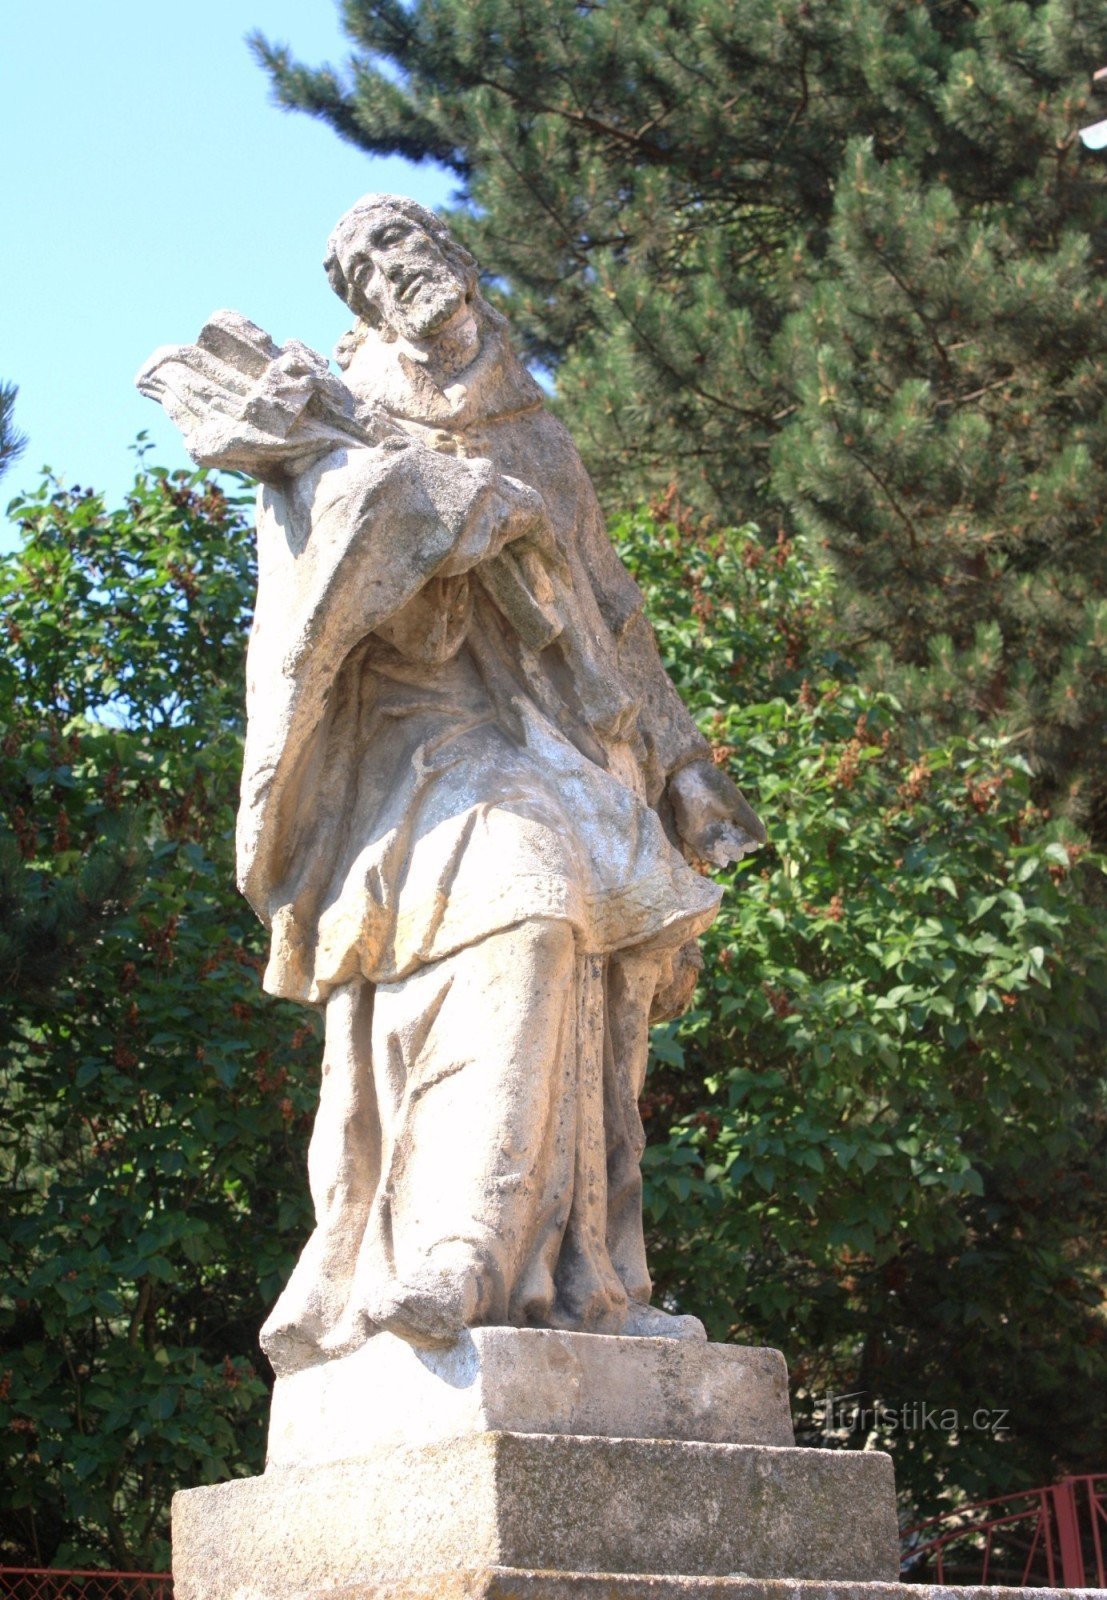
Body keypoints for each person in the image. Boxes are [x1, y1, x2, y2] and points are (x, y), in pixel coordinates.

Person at [141, 194, 765, 1374]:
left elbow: (612, 608)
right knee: (527, 898)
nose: (394, 269)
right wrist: (422, 510)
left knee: (589, 967)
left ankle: (577, 1274)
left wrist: (685, 769)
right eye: (365, 264)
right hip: (417, 741)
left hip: (572, 742)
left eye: (406, 241)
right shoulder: (343, 415)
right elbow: (318, 570)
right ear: (359, 308)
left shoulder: (534, 426)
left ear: (460, 257)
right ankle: (458, 1247)